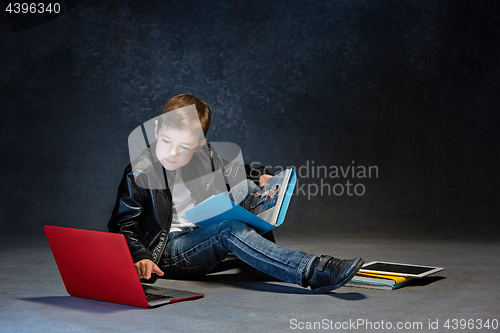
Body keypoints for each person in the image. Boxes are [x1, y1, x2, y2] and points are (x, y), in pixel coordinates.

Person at [108, 93, 364, 294]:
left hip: (199, 236)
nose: (172, 153)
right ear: (156, 129)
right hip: (166, 252)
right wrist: (141, 256)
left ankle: (259, 265)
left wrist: (260, 176)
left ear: (199, 146)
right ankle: (312, 270)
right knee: (228, 228)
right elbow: (123, 224)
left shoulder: (204, 157)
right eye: (166, 141)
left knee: (250, 190)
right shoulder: (139, 172)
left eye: (183, 147)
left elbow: (236, 171)